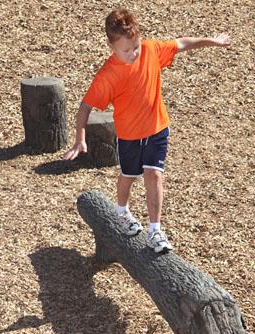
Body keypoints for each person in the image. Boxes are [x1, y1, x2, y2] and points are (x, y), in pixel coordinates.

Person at [63, 7, 230, 253]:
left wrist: (211, 42)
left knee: (154, 174)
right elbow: (85, 106)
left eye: (136, 47)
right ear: (112, 48)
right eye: (126, 50)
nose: (133, 54)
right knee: (129, 176)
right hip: (129, 136)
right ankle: (121, 211)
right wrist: (80, 138)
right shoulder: (107, 76)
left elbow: (181, 43)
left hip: (157, 128)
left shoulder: (151, 50)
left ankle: (155, 230)